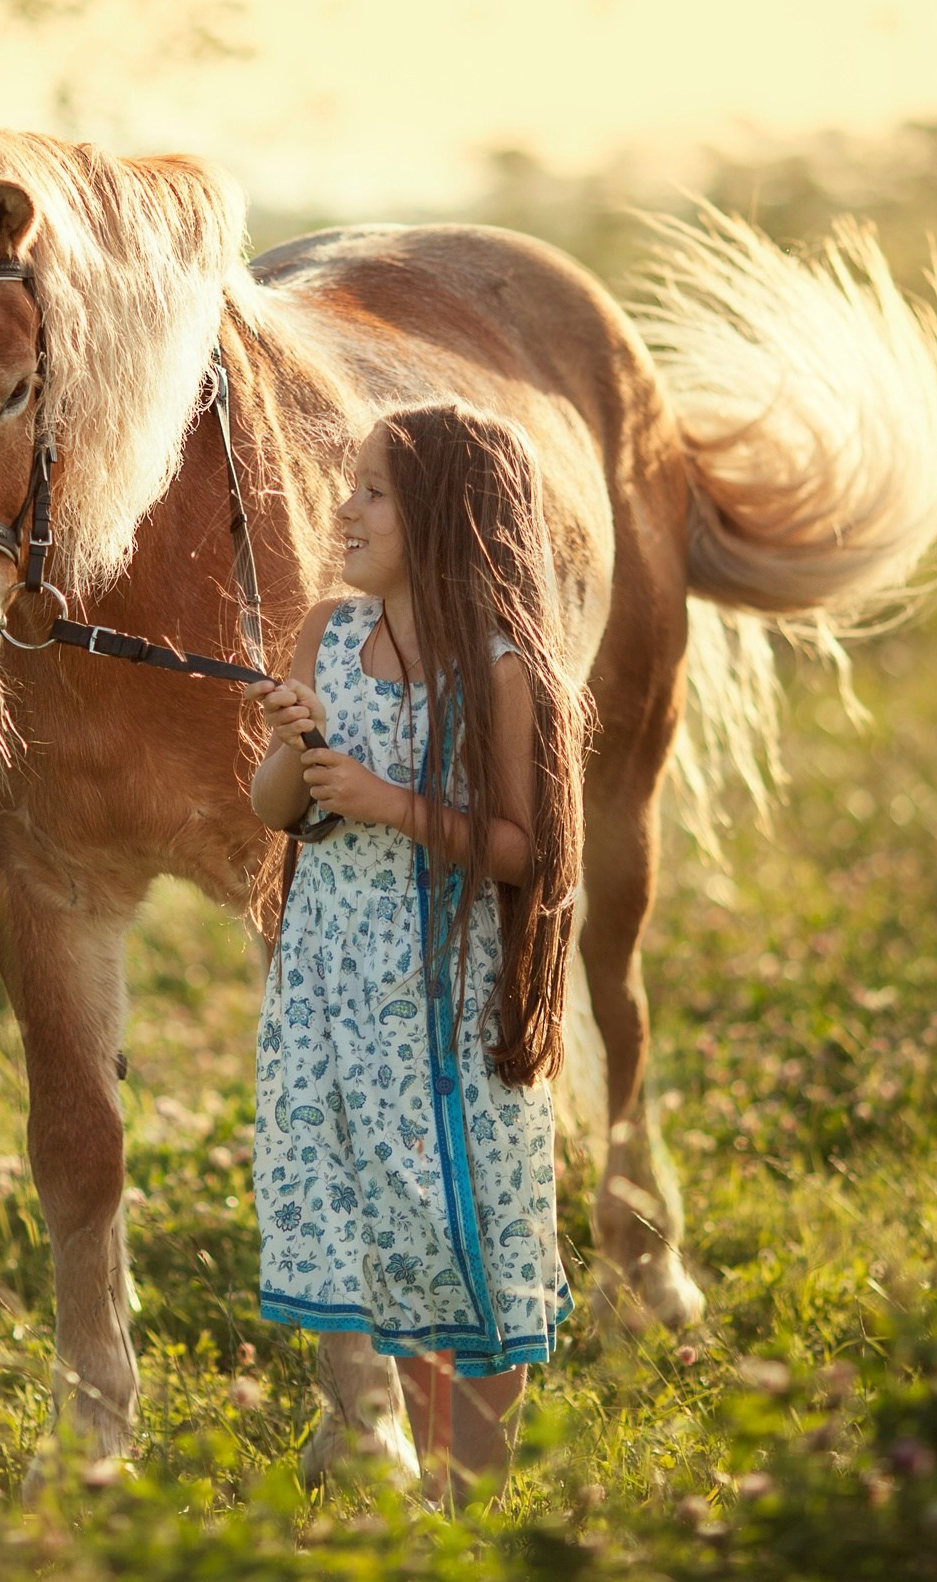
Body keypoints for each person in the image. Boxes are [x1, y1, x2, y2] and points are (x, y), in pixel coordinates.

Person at [243, 403, 587, 1509]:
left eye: (374, 489)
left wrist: (392, 803)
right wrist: (299, 743)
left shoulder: (498, 670)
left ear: (442, 515)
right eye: (352, 483)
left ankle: (468, 1500)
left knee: (464, 1229)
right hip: (337, 990)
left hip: (443, 997)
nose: (345, 505)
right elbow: (272, 807)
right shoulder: (325, 634)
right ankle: (437, 1497)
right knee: (387, 1233)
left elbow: (521, 849)